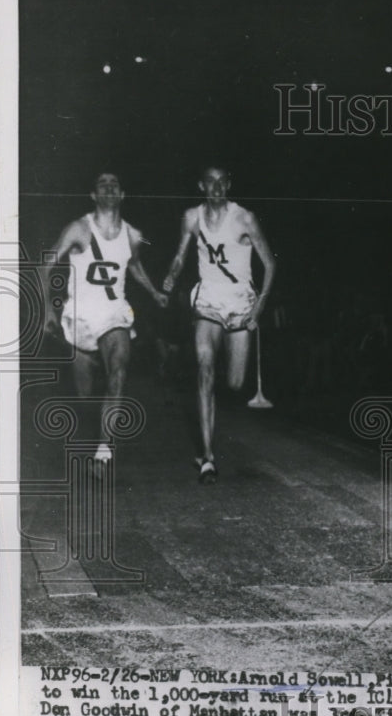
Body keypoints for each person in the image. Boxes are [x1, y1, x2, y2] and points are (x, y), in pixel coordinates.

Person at [40, 172, 169, 467]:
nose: (109, 188)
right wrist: (47, 309)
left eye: (115, 185)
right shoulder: (78, 229)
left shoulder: (132, 235)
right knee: (85, 398)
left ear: (122, 195)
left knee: (119, 368)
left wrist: (153, 293)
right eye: (103, 184)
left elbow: (134, 265)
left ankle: (104, 450)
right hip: (81, 315)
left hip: (114, 312)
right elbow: (44, 267)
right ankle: (94, 422)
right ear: (94, 195)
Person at [163, 166, 276, 482]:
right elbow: (180, 256)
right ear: (201, 185)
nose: (216, 187)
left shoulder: (245, 218)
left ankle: (212, 428)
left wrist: (259, 308)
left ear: (229, 184)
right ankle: (208, 457)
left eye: (222, 181)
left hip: (240, 302)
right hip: (209, 300)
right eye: (210, 182)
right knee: (205, 370)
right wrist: (172, 274)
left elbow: (270, 264)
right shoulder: (191, 217)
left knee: (236, 384)